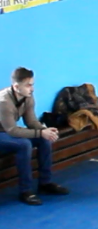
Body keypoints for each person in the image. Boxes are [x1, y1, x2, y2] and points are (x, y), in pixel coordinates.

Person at [0, 67, 67, 206]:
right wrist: (40, 132)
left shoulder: (28, 97)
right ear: (16, 87)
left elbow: (31, 122)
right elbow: (12, 130)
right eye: (28, 85)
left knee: (44, 139)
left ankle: (45, 183)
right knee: (24, 144)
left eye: (32, 84)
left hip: (7, 132)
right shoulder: (4, 102)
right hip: (4, 132)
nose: (32, 89)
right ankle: (25, 191)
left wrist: (45, 131)